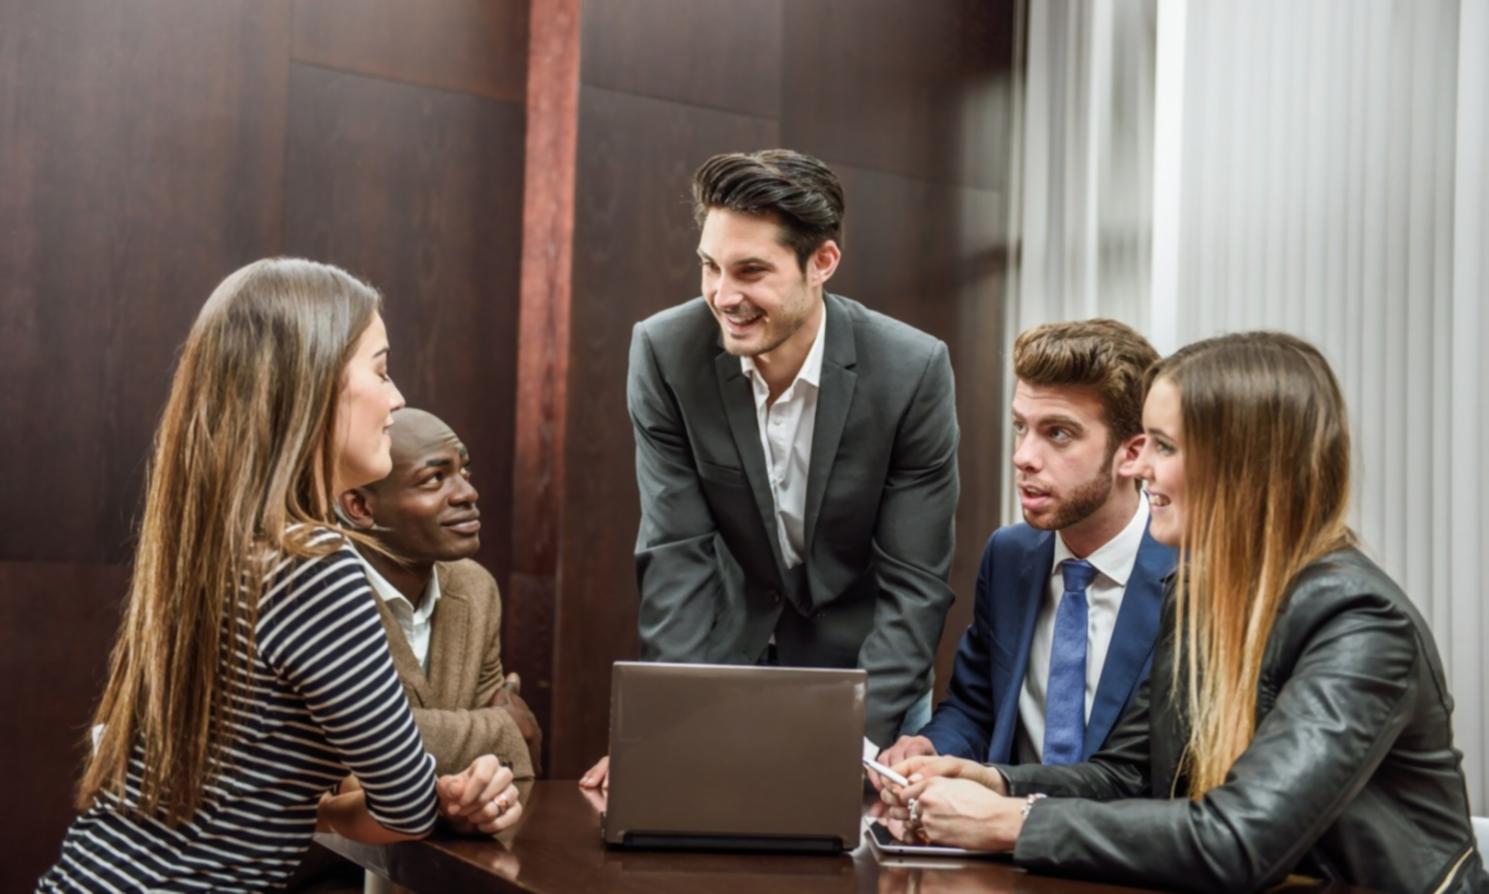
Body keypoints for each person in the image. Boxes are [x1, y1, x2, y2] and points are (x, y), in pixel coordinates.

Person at [881, 332, 1488, 893]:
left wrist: (1013, 821)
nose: (1140, 466)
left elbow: (1241, 838)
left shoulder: (1359, 619)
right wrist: (995, 782)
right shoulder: (1198, 591)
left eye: (1165, 447)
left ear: (1243, 466)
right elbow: (1126, 777)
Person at [38, 259, 521, 893]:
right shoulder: (315, 567)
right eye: (380, 368)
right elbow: (402, 805)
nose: (397, 397)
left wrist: (330, 804)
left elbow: (246, 796)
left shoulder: (215, 545)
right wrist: (443, 798)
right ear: (316, 387)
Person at [583, 149, 959, 787]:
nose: (723, 296)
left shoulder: (911, 370)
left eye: (751, 271)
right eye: (710, 266)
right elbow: (676, 556)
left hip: (869, 676)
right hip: (723, 669)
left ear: (823, 263)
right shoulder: (665, 352)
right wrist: (667, 729)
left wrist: (856, 745)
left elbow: (915, 582)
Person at [876, 320, 1175, 777]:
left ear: (1131, 454)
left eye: (1058, 433)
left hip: (1122, 838)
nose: (1023, 456)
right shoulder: (1010, 554)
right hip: (994, 842)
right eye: (1021, 427)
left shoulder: (1190, 575)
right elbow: (977, 708)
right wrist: (934, 749)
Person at [336, 407, 541, 777]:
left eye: (464, 471)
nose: (468, 493)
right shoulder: (320, 592)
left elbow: (511, 766)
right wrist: (499, 728)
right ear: (361, 507)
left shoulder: (475, 587)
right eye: (434, 478)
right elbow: (344, 750)